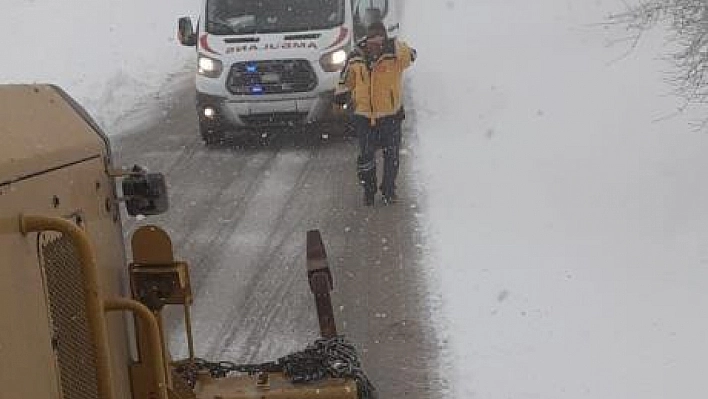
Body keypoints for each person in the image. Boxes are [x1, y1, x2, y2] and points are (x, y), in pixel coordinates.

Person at [335, 22, 416, 206]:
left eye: (380, 41)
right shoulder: (356, 57)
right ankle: (369, 191)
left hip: (390, 116)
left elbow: (411, 56)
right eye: (373, 41)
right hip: (364, 117)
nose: (376, 46)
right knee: (366, 157)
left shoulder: (394, 56)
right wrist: (340, 97)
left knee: (392, 157)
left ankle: (388, 190)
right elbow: (345, 79)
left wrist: (395, 45)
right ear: (366, 40)